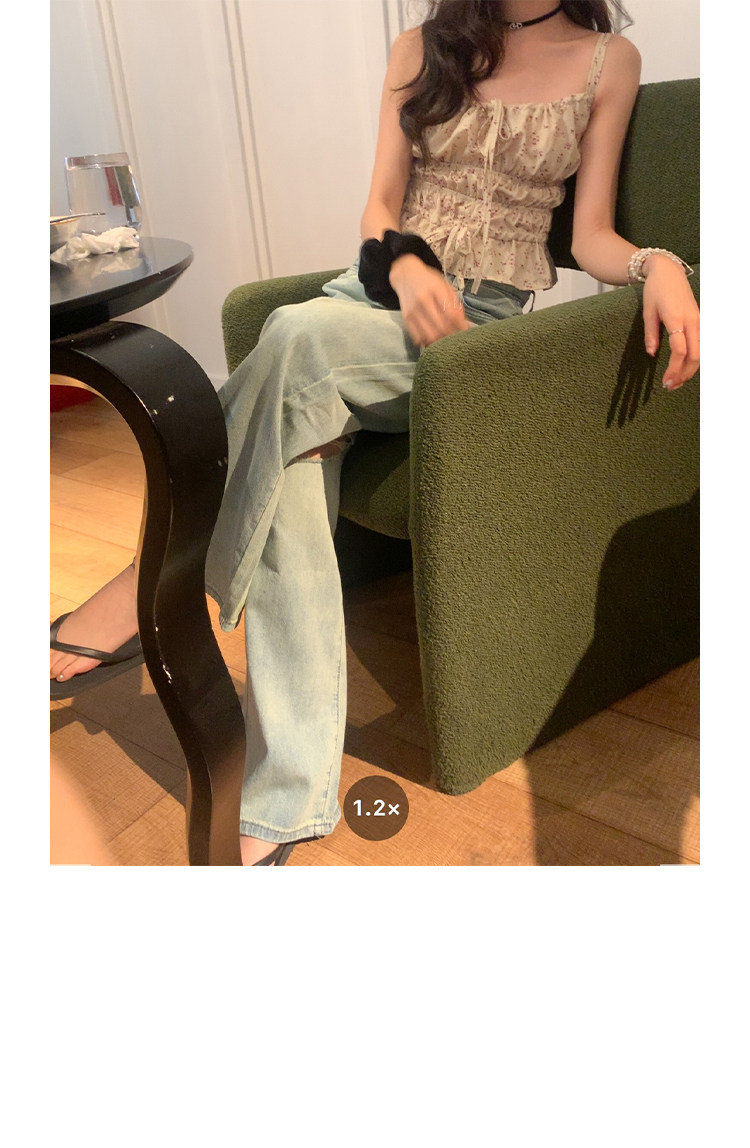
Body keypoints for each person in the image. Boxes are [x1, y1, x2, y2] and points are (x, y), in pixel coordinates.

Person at [50, 1, 700, 865]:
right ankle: (291, 789)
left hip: (471, 332)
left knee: (292, 336)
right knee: (294, 447)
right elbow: (380, 207)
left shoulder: (607, 61)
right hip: (371, 297)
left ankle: (151, 579)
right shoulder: (421, 48)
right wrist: (405, 263)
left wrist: (661, 264)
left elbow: (590, 236)